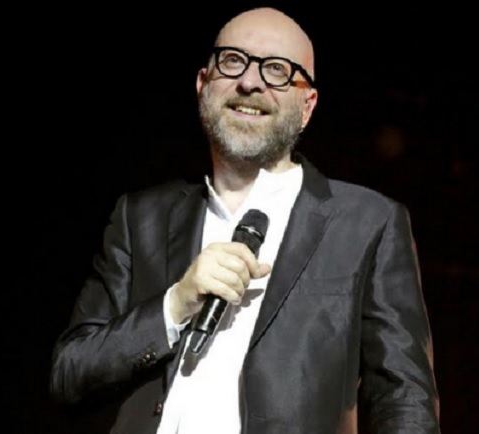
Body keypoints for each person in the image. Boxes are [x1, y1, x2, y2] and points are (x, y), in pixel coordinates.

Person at [49, 6, 440, 434]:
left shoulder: (366, 223)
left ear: (307, 106)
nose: (250, 82)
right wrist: (174, 305)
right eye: (233, 60)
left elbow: (404, 400)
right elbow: (69, 374)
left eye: (277, 70)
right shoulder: (140, 217)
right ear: (202, 84)